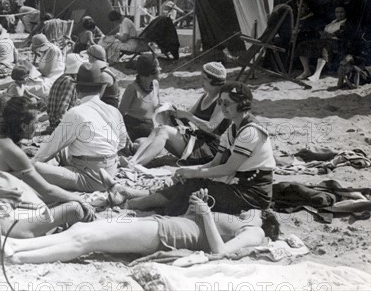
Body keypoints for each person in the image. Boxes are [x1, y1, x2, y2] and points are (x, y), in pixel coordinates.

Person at [110, 82, 275, 216]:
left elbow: (227, 168)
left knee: (194, 187)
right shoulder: (232, 129)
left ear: (242, 104)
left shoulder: (251, 132)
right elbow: (214, 163)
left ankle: (134, 203)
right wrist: (187, 170)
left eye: (227, 103)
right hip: (235, 184)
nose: (223, 107)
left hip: (252, 195)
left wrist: (194, 173)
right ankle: (136, 197)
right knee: (187, 181)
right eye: (220, 102)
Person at [4, 189, 280, 264]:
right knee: (81, 230)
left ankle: (19, 258)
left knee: (87, 241)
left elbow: (219, 251)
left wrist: (206, 213)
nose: (246, 211)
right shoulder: (243, 222)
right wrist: (197, 206)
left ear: (265, 220)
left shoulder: (254, 232)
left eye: (253, 211)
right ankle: (16, 244)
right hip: (161, 224)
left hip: (162, 234)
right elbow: (191, 223)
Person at [0, 97, 95, 238]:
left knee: (57, 202)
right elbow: (47, 190)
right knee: (75, 209)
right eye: (35, 122)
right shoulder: (10, 150)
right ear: (24, 126)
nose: (37, 126)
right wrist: (80, 200)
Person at [32, 63, 128, 192]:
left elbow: (50, 147)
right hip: (110, 169)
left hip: (89, 177)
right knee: (63, 149)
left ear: (76, 89)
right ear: (101, 89)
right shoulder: (113, 110)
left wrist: (33, 162)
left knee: (31, 168)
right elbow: (122, 143)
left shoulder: (76, 113)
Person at [130, 62, 230, 166]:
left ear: (214, 81)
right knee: (158, 129)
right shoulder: (205, 96)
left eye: (204, 79)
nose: (202, 82)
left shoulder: (221, 100)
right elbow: (187, 117)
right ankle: (133, 160)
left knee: (164, 131)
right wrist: (174, 111)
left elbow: (210, 127)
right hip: (197, 141)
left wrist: (187, 115)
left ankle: (136, 164)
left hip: (209, 149)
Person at [296, 6, 348, 82]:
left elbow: (342, 34)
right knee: (302, 44)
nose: (339, 14)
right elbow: (324, 30)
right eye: (337, 12)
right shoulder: (334, 21)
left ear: (345, 13)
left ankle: (316, 75)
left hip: (337, 43)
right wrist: (322, 33)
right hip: (325, 40)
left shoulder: (345, 22)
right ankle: (306, 70)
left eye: (341, 12)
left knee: (324, 47)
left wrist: (331, 35)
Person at [119, 54, 161, 141]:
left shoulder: (155, 84)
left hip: (149, 127)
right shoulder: (132, 88)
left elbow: (156, 107)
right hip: (132, 128)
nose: (160, 69)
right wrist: (124, 135)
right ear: (150, 71)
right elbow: (119, 114)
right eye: (158, 67)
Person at [44, 53, 86, 134]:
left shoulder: (62, 78)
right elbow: (63, 109)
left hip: (54, 121)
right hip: (59, 124)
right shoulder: (70, 82)